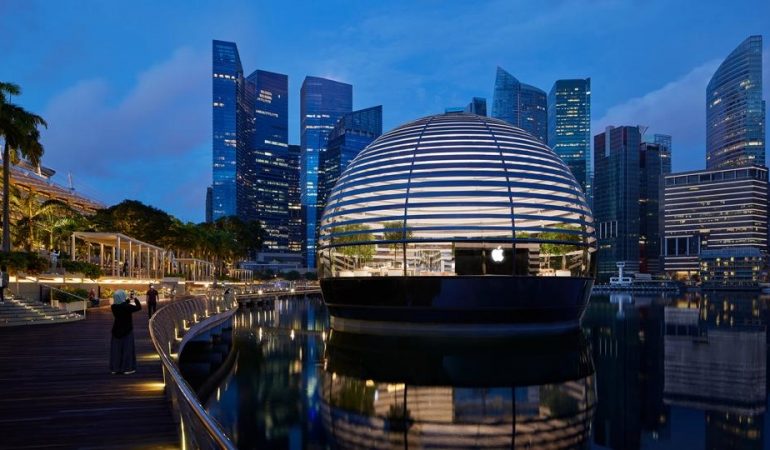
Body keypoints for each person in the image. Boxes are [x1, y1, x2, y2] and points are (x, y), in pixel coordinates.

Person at [110, 289, 141, 375]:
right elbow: (139, 307)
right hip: (127, 330)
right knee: (127, 349)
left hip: (116, 331)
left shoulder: (113, 307)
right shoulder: (127, 307)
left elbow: (122, 303)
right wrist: (135, 299)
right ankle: (127, 368)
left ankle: (115, 368)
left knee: (116, 350)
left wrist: (127, 300)